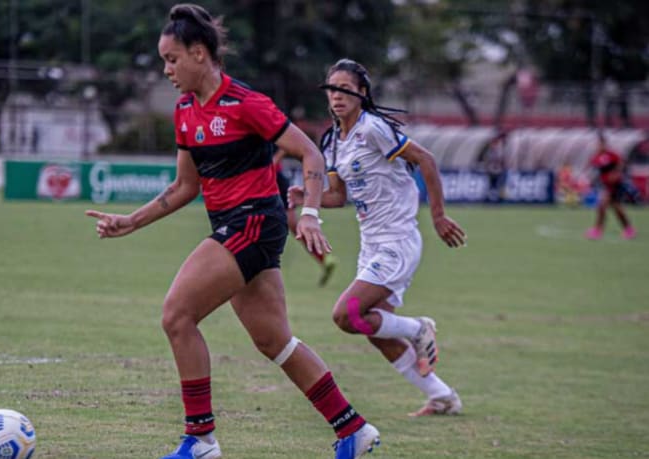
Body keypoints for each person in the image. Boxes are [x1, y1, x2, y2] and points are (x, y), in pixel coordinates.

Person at [85, 6, 379, 459]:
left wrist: (311, 214)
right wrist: (131, 222)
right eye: (163, 61)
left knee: (176, 315)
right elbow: (186, 187)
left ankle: (200, 439)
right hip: (232, 225)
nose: (167, 70)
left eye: (172, 59)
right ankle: (352, 429)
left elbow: (311, 157)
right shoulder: (184, 112)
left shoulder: (246, 103)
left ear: (199, 54)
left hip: (255, 222)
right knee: (273, 341)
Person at [289, 58, 466, 417]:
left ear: (362, 94)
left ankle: (419, 328)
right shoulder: (333, 141)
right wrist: (306, 199)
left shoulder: (373, 129)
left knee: (347, 314)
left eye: (345, 89)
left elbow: (427, 160)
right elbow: (338, 196)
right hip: (371, 244)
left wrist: (438, 215)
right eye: (332, 89)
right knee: (372, 329)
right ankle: (443, 396)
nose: (337, 96)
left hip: (397, 240)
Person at [274, 147, 337, 286]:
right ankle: (324, 258)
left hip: (273, 178)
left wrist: (273, 161)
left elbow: (286, 141)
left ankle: (323, 257)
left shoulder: (272, 127)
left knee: (294, 225)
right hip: (265, 179)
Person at [585, 132, 638, 240]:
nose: (599, 146)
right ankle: (627, 229)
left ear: (605, 144)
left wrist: (616, 173)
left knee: (609, 207)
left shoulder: (611, 155)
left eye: (601, 144)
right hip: (606, 186)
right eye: (598, 144)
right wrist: (590, 180)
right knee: (609, 207)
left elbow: (621, 164)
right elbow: (593, 170)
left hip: (616, 185)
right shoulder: (596, 157)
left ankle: (599, 230)